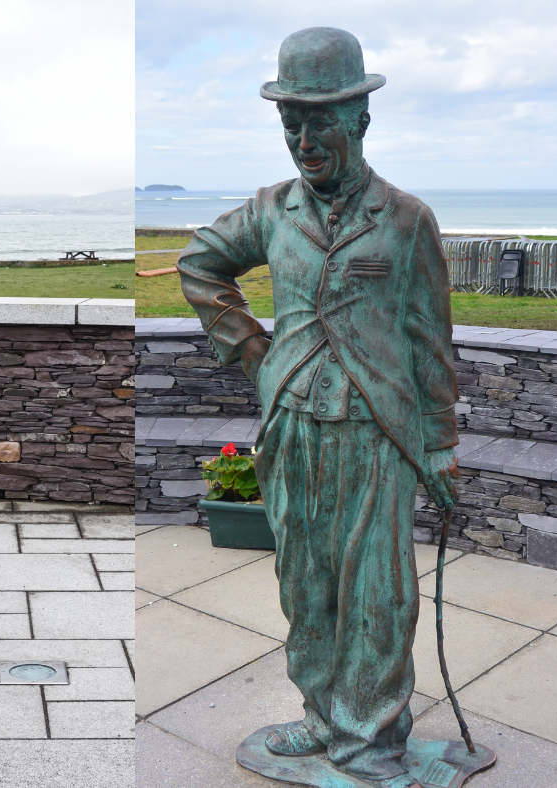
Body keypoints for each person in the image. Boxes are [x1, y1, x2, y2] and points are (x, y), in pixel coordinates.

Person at [177, 28, 460, 788]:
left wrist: (440, 445)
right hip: (293, 424)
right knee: (305, 585)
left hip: (376, 434)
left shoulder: (405, 219)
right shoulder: (272, 210)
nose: (305, 139)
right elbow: (200, 264)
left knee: (379, 592)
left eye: (321, 120)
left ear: (361, 120)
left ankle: (370, 740)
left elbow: (431, 342)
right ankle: (322, 715)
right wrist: (249, 348)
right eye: (290, 122)